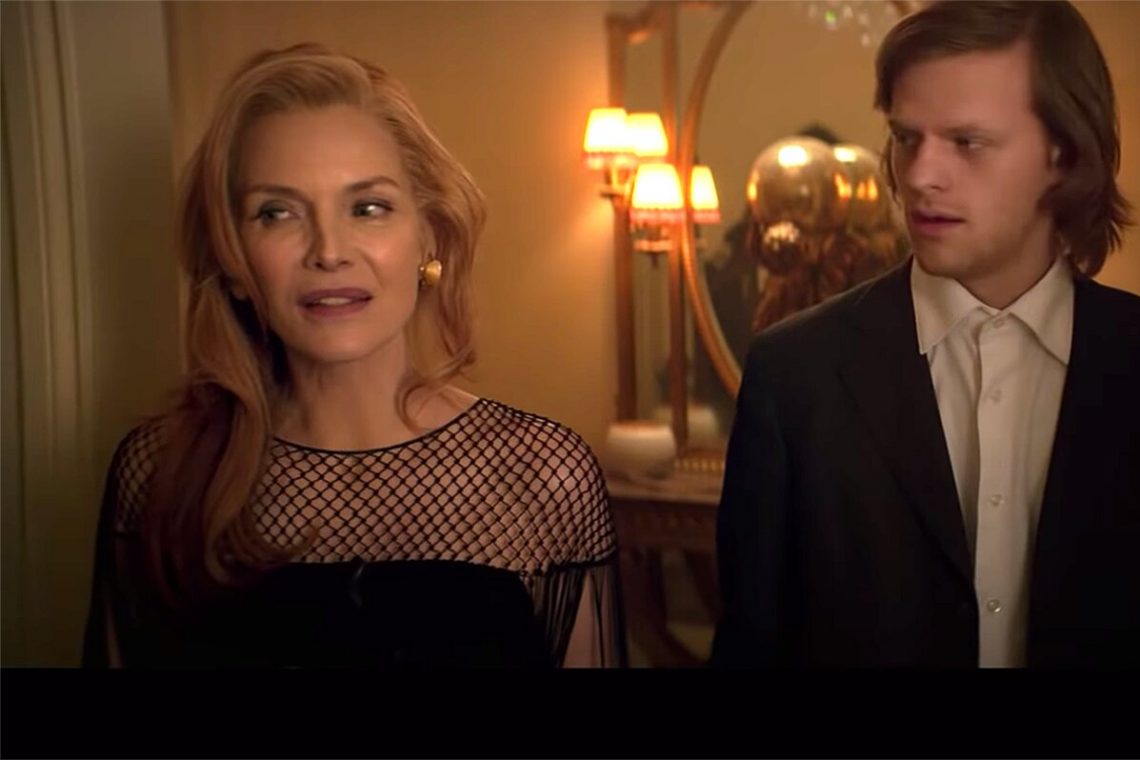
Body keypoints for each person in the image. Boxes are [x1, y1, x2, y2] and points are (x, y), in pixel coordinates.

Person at [83, 44, 624, 668]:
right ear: (231, 261)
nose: (329, 251)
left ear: (428, 236)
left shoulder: (544, 478)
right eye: (277, 212)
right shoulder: (159, 476)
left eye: (368, 208)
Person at [712, 1, 1139, 667]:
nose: (918, 176)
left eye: (967, 142)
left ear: (1062, 152)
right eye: (906, 138)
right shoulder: (795, 375)